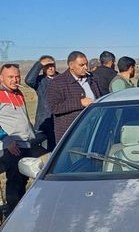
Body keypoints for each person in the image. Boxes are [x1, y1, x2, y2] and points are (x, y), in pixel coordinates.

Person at [0, 64, 39, 216]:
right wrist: (6, 139)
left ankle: (22, 212)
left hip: (26, 144)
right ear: (1, 78)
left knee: (23, 180)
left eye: (17, 76)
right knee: (14, 183)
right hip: (12, 146)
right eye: (10, 77)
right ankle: (12, 216)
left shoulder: (19, 92)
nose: (15, 80)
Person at [47, 51, 100, 143]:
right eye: (81, 65)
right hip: (71, 135)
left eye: (86, 64)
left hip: (93, 131)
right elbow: (54, 107)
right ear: (71, 66)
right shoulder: (57, 83)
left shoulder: (91, 79)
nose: (86, 67)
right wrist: (80, 102)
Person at [24, 55, 58, 151]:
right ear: (43, 68)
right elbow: (28, 80)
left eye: (52, 65)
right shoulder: (40, 80)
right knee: (43, 151)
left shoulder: (61, 79)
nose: (50, 68)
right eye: (47, 66)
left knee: (57, 149)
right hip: (44, 121)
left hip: (58, 121)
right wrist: (39, 64)